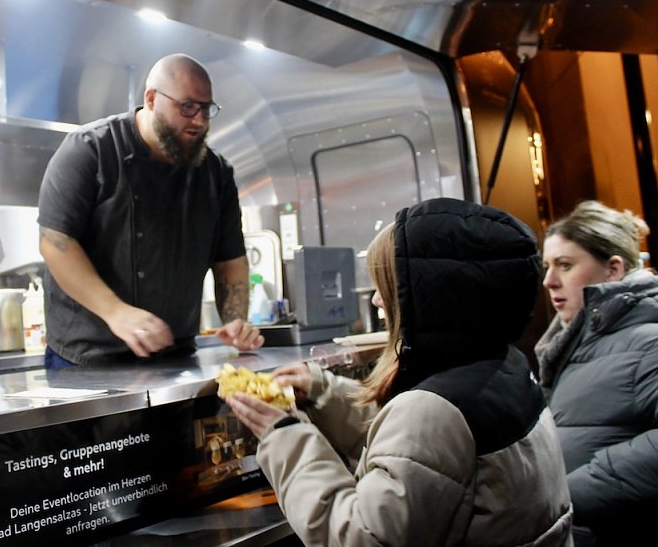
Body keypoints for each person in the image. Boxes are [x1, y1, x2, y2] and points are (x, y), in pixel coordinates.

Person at [226, 198, 573, 545]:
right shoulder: (502, 367)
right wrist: (324, 394)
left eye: (390, 286)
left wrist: (285, 436)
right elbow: (415, 457)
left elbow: (362, 538)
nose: (377, 300)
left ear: (429, 297)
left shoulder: (435, 411)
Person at [36, 53, 263, 367]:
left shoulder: (215, 173)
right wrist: (116, 312)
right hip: (86, 358)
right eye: (187, 107)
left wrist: (236, 320)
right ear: (152, 99)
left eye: (206, 109)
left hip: (176, 356)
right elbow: (56, 243)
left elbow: (230, 262)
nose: (200, 121)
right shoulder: (90, 150)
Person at [535, 200, 658, 546]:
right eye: (547, 267)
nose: (549, 281)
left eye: (565, 265)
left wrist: (572, 494)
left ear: (614, 268)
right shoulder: (574, 343)